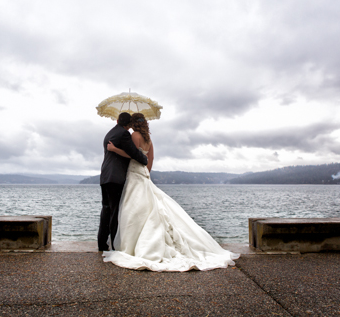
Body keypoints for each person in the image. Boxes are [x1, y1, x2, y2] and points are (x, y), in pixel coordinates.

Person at [102, 113, 239, 271]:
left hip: (134, 172)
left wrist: (114, 149)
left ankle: (131, 244)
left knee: (133, 208)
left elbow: (132, 154)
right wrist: (146, 173)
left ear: (134, 124)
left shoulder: (135, 136)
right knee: (147, 204)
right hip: (143, 174)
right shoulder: (148, 140)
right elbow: (150, 159)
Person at [99, 112, 148, 251]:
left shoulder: (110, 133)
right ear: (129, 125)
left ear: (117, 120)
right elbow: (134, 153)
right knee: (115, 212)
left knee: (106, 210)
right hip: (116, 178)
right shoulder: (124, 134)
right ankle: (115, 245)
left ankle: (102, 244)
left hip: (105, 176)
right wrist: (144, 159)